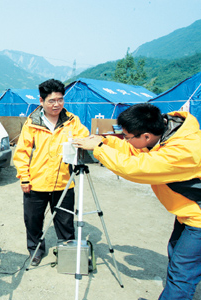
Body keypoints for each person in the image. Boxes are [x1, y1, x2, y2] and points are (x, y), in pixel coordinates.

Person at [73, 103, 201, 300]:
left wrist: (98, 149)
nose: (124, 139)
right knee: (176, 258)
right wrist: (105, 141)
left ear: (147, 136)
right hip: (188, 213)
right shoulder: (166, 131)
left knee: (182, 272)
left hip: (198, 219)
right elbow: (133, 148)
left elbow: (137, 167)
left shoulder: (184, 151)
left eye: (127, 136)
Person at [13, 79, 89, 266]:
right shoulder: (32, 123)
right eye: (51, 101)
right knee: (33, 221)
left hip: (64, 183)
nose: (56, 105)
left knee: (65, 222)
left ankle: (66, 254)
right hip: (36, 183)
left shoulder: (72, 121)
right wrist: (24, 178)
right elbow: (21, 153)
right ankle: (36, 251)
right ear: (41, 101)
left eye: (60, 100)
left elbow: (85, 137)